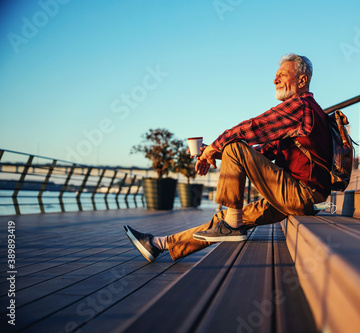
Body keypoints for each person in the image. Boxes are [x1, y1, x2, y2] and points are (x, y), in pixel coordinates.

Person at [124, 53, 333, 262]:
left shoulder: (300, 107)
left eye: (282, 75)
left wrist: (215, 148)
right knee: (225, 218)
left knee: (234, 146)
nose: (274, 80)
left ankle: (232, 226)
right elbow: (260, 153)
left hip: (301, 194)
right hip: (296, 196)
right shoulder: (300, 114)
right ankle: (158, 245)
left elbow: (251, 129)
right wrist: (213, 151)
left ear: (302, 80)